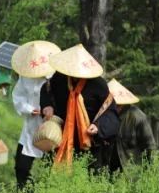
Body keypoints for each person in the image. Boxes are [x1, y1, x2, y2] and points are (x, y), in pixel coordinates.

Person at [40, 44, 118, 173]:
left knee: (90, 176)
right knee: (57, 175)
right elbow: (46, 90)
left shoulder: (98, 84)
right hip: (61, 135)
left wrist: (98, 126)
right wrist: (46, 105)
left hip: (89, 140)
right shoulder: (59, 78)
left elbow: (110, 111)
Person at [9, 40, 60, 190]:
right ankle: (23, 192)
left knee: (50, 164)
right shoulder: (25, 76)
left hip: (51, 126)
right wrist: (29, 109)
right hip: (31, 125)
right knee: (21, 165)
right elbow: (18, 97)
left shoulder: (55, 78)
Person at [109, 79, 156, 171]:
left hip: (132, 171)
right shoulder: (103, 116)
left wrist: (150, 171)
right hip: (108, 171)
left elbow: (150, 146)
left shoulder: (138, 117)